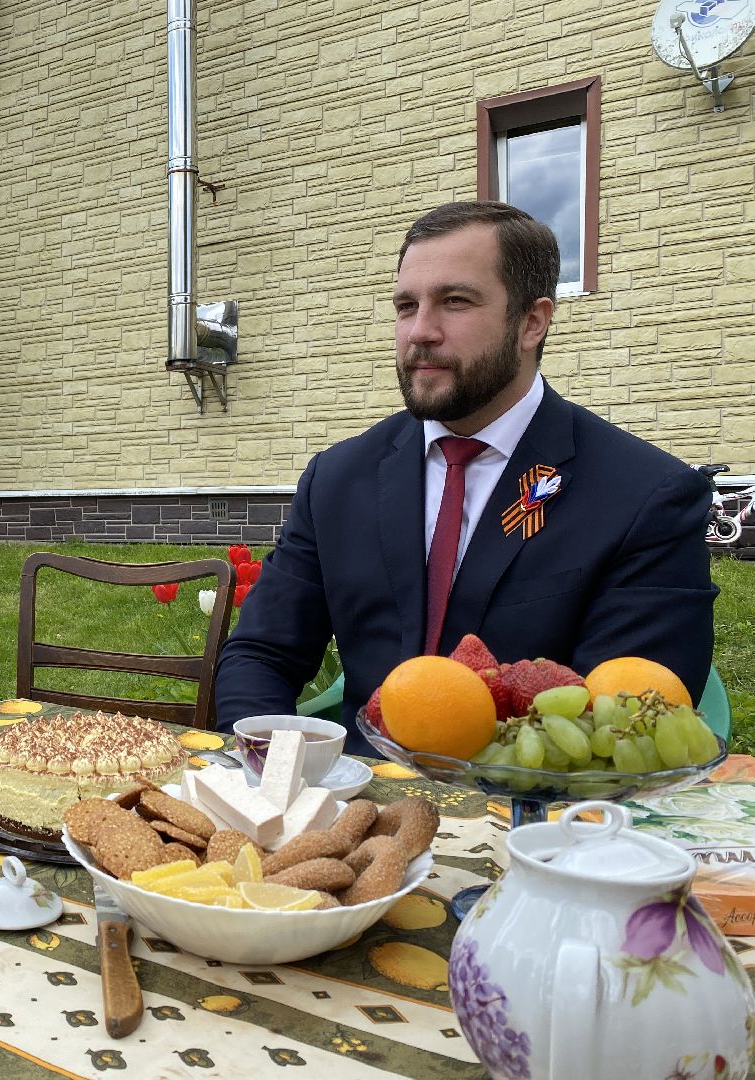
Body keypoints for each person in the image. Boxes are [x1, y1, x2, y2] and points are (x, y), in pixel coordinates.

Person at [214, 201, 717, 756]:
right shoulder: (338, 479)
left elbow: (623, 729)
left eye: (455, 302)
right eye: (407, 305)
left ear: (532, 321)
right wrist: (278, 778)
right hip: (352, 819)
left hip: (534, 824)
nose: (420, 331)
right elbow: (261, 655)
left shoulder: (644, 496)